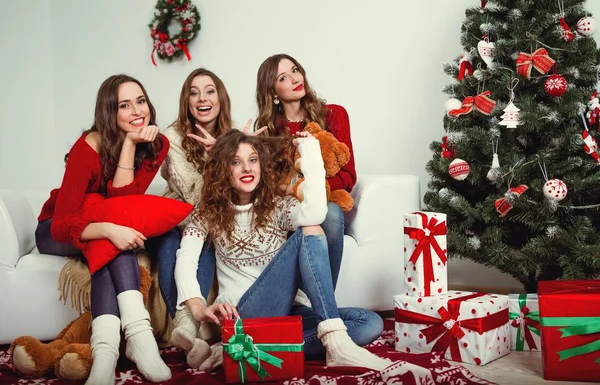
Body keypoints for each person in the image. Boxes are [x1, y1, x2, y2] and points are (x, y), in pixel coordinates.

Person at [174, 129, 387, 371]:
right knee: (310, 228)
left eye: (253, 160)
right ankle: (334, 343)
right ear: (223, 169)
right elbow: (187, 257)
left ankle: (240, 349)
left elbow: (316, 212)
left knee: (369, 322)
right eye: (236, 162)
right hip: (246, 312)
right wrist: (198, 309)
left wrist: (311, 153)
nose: (247, 168)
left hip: (289, 311)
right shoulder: (208, 214)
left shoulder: (278, 206)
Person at [36, 75, 171, 384]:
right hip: (54, 227)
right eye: (125, 105)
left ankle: (108, 353)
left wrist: (129, 144)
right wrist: (109, 230)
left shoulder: (155, 145)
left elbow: (124, 204)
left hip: (102, 227)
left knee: (111, 246)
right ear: (110, 112)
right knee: (111, 240)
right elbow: (61, 226)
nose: (138, 111)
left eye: (141, 101)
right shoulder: (87, 148)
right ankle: (139, 339)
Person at [156, 68, 265, 368]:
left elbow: (241, 185)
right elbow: (194, 197)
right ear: (186, 101)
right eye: (194, 92)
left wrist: (224, 152)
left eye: (209, 91)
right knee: (169, 241)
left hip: (213, 218)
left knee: (202, 244)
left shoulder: (233, 134)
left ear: (220, 97)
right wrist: (217, 160)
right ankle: (186, 324)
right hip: (180, 215)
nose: (202, 98)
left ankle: (190, 333)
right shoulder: (172, 137)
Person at [255, 54, 356, 289]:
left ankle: (322, 302)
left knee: (330, 213)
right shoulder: (267, 129)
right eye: (283, 77)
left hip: (326, 199)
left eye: (295, 70)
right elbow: (267, 183)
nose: (294, 78)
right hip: (289, 204)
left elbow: (348, 176)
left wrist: (313, 188)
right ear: (272, 92)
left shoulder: (334, 115)